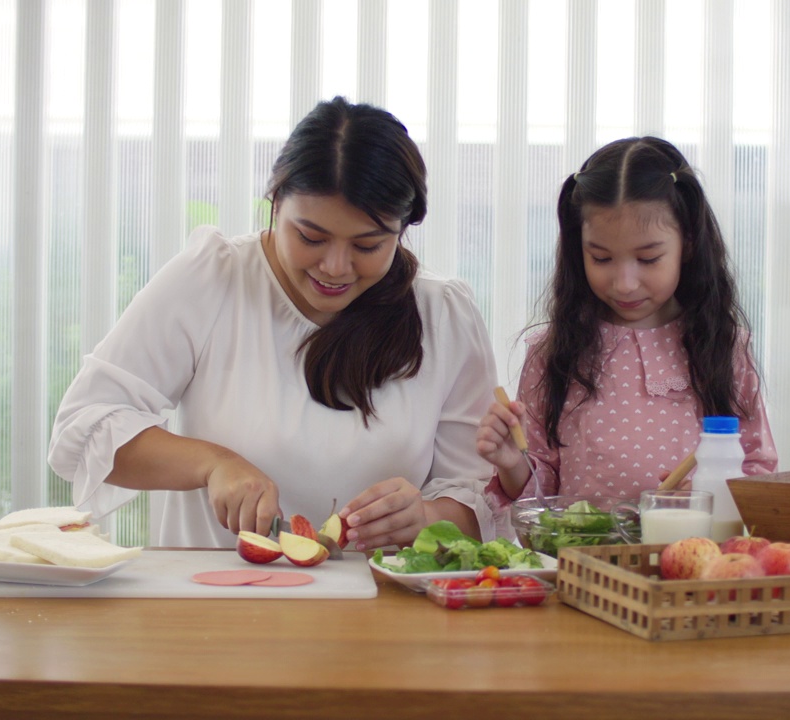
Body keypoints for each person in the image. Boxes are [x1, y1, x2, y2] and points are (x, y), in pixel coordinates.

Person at [48, 97, 498, 550]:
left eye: (367, 246)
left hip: (380, 609)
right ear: (276, 202)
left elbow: (481, 496)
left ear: (403, 229)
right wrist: (213, 463)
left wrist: (425, 518)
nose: (336, 267)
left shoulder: (443, 315)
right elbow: (85, 426)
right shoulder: (214, 278)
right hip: (219, 605)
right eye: (311, 237)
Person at [476, 137, 777, 506]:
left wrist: (716, 492)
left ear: (690, 243)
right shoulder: (552, 354)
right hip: (582, 561)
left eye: (648, 259)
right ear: (578, 250)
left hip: (697, 556)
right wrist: (512, 464)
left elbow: (759, 469)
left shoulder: (724, 349)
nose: (624, 283)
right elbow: (541, 493)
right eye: (601, 258)